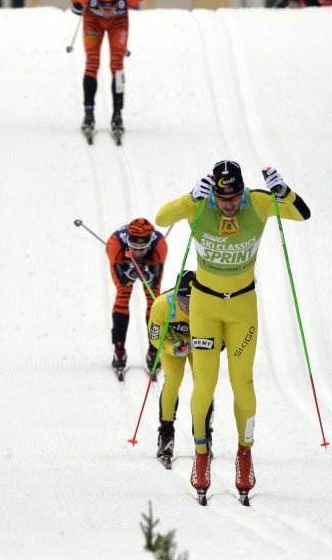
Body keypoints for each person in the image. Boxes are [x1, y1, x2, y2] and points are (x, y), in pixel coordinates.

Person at [155, 160, 311, 499]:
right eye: (223, 199)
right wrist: (188, 199)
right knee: (205, 383)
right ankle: (201, 455)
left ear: (242, 190)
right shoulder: (199, 205)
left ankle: (245, 454)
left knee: (243, 382)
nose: (229, 205)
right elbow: (162, 218)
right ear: (213, 192)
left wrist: (284, 192)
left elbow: (302, 214)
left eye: (235, 197)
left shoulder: (257, 203)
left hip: (242, 307)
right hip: (204, 307)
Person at [68, 0, 147, 134]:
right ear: (97, 1)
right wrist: (77, 6)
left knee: (117, 65)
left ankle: (117, 114)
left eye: (111, 7)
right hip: (93, 22)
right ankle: (88, 114)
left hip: (118, 23)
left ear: (118, 1)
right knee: (92, 62)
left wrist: (129, 7)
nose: (107, 12)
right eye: (103, 8)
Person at [147, 270, 201, 468]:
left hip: (199, 343)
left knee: (203, 382)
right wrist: (172, 348)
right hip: (173, 342)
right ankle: (166, 434)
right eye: (181, 299)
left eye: (191, 299)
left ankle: (204, 434)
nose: (186, 304)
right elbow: (154, 337)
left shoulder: (208, 303)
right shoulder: (162, 305)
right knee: (173, 379)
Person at [106, 218, 167, 376]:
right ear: (128, 241)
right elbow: (121, 281)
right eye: (133, 248)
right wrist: (129, 274)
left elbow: (155, 282)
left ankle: (154, 350)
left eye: (142, 249)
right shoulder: (114, 244)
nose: (138, 253)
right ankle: (119, 350)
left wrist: (148, 275)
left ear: (149, 244)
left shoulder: (159, 245)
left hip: (150, 264)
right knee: (123, 294)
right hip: (123, 262)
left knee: (154, 300)